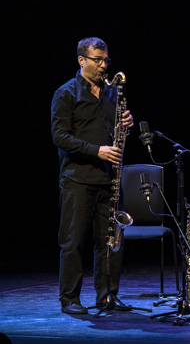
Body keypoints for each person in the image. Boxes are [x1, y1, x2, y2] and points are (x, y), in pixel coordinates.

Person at [51, 37, 134, 314]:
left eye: (105, 60)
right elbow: (59, 136)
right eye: (97, 60)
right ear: (81, 60)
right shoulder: (66, 93)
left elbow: (114, 134)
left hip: (108, 179)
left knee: (110, 241)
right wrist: (95, 150)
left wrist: (125, 125)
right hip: (77, 179)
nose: (103, 65)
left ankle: (107, 296)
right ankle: (70, 299)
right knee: (73, 242)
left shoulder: (112, 93)